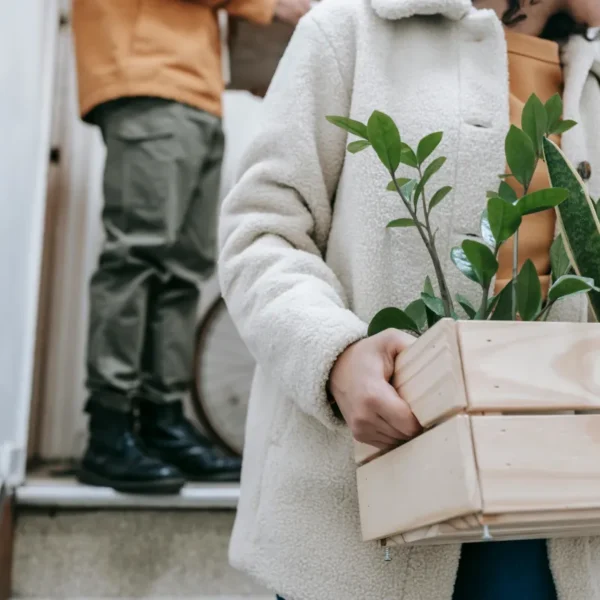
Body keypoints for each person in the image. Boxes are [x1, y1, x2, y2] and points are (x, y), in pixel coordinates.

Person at [219, 0, 600, 597]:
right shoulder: (349, 32)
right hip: (361, 507)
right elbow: (262, 231)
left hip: (557, 514)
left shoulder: (591, 73)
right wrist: (336, 357)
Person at [71, 0, 310, 494]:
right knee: (138, 258)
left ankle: (161, 420)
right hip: (146, 74)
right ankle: (110, 429)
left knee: (182, 267)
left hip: (194, 87)